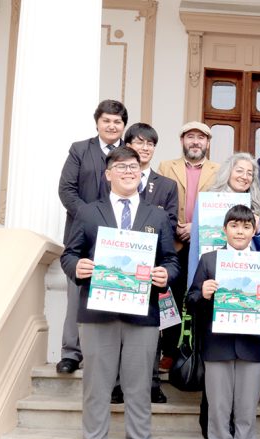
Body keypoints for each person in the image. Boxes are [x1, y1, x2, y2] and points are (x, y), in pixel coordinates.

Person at [60, 146, 179, 439]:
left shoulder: (156, 216)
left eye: (135, 166)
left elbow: (172, 260)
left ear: (142, 174)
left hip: (142, 316)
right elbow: (70, 255)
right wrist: (77, 268)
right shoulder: (88, 212)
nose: (130, 170)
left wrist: (164, 274)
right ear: (108, 173)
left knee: (139, 387)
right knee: (97, 387)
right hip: (98, 313)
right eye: (122, 166)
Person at [186, 205, 260, 439]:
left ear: (254, 230)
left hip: (250, 348)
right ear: (224, 229)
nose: (240, 231)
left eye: (246, 226)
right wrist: (202, 293)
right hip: (218, 346)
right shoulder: (209, 260)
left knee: (247, 409)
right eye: (234, 226)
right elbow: (190, 300)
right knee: (219, 408)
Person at [56, 99, 128, 374]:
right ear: (97, 122)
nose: (112, 125)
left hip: (118, 236)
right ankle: (71, 353)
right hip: (81, 234)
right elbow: (67, 190)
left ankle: (110, 356)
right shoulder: (79, 150)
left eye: (117, 121)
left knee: (115, 292)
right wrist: (90, 217)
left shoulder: (128, 153)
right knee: (76, 293)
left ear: (123, 125)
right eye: (107, 120)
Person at [113, 122, 179, 405]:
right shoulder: (116, 180)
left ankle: (152, 382)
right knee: (117, 326)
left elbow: (171, 222)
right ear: (127, 146)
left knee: (153, 327)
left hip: (152, 269)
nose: (144, 148)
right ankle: (116, 384)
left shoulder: (166, 185)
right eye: (139, 142)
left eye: (150, 144)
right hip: (120, 264)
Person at [157, 121, 220, 384]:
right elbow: (160, 204)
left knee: (199, 298)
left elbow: (220, 206)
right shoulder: (165, 167)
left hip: (203, 244)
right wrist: (177, 228)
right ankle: (171, 351)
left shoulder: (219, 171)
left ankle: (199, 351)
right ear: (182, 140)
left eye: (201, 138)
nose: (196, 142)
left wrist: (195, 229)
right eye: (190, 137)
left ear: (208, 143)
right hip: (172, 242)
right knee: (169, 297)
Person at [187, 152, 260, 281]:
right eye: (239, 171)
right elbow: (195, 247)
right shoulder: (208, 201)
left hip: (247, 274)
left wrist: (259, 230)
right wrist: (193, 286)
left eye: (249, 173)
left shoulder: (257, 206)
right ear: (228, 173)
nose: (244, 177)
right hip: (211, 274)